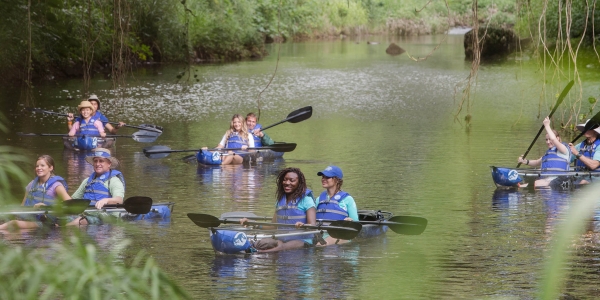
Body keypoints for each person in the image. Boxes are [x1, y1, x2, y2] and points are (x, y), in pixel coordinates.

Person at [239, 167, 316, 252]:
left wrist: (303, 225)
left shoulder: (306, 200)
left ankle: (256, 253)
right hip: (282, 239)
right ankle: (249, 249)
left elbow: (312, 225)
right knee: (261, 243)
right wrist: (253, 224)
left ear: (299, 183)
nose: (287, 183)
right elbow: (273, 225)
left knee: (281, 247)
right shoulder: (280, 201)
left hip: (303, 240)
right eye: (285, 180)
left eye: (292, 180)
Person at [0, 155, 70, 230]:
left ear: (50, 168)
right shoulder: (31, 184)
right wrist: (14, 211)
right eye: (37, 166)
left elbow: (71, 205)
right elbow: (23, 206)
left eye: (42, 165)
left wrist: (46, 207)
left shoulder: (56, 185)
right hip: (29, 219)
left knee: (13, 224)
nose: (39, 168)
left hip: (45, 222)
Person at [66, 148, 125, 225]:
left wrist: (106, 200)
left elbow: (119, 200)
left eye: (101, 161)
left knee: (80, 221)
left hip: (106, 217)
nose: (97, 164)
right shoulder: (87, 181)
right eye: (95, 161)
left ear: (109, 164)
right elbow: (73, 200)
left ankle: (63, 230)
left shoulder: (114, 181)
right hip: (87, 213)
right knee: (60, 220)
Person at [517, 116, 571, 188]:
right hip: (546, 180)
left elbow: (554, 139)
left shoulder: (563, 149)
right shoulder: (548, 153)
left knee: (536, 184)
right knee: (523, 184)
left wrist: (547, 126)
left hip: (559, 180)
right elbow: (536, 162)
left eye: (549, 139)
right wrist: (525, 161)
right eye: (546, 140)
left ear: (558, 138)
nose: (548, 142)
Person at [313, 165, 358, 245]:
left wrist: (350, 221)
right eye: (323, 177)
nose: (323, 179)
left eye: (327, 177)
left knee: (320, 246)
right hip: (321, 234)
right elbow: (312, 220)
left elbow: (356, 223)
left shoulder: (348, 199)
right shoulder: (319, 199)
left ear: (337, 180)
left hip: (340, 234)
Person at [568, 119, 600, 184]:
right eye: (586, 128)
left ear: (595, 132)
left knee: (583, 182)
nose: (586, 129)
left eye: (589, 128)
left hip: (595, 179)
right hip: (579, 177)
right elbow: (566, 159)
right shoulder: (580, 145)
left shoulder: (599, 146)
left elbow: (593, 165)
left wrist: (577, 153)